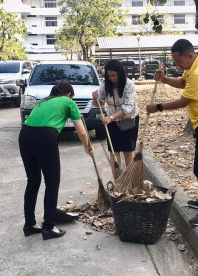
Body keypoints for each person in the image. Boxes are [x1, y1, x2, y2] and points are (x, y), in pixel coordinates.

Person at [146, 39, 198, 226]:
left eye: (178, 61)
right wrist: (165, 79)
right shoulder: (196, 63)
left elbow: (184, 101)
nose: (177, 65)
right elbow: (184, 83)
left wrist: (157, 107)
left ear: (189, 55)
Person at [19, 81, 94, 240]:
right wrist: (88, 146)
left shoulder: (43, 101)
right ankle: (49, 226)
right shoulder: (69, 102)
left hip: (25, 135)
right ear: (68, 94)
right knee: (52, 183)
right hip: (45, 137)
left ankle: (30, 224)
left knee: (33, 181)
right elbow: (81, 131)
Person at [92, 59, 139, 179]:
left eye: (114, 75)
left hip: (128, 119)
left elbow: (128, 107)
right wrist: (95, 98)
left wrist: (112, 117)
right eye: (109, 76)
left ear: (120, 73)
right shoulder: (105, 84)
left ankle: (130, 180)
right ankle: (118, 180)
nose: (112, 78)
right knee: (114, 151)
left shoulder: (129, 85)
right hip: (111, 120)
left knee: (128, 150)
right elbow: (100, 104)